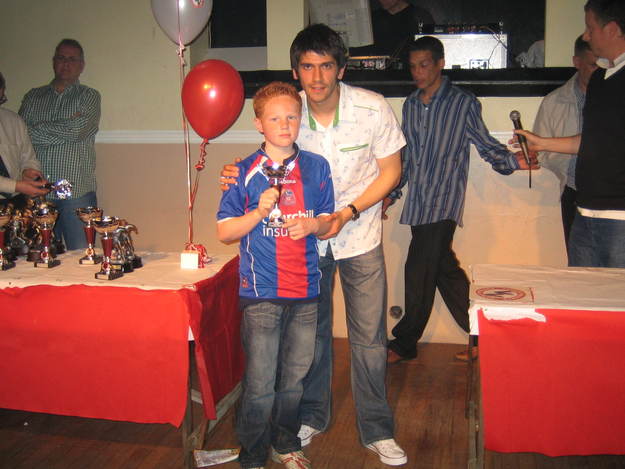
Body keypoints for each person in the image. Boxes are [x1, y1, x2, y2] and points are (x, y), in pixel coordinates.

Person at [221, 24, 408, 467]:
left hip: (358, 236)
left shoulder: (373, 108)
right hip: (304, 247)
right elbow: (271, 153)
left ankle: (377, 430)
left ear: (341, 68)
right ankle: (311, 418)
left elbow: (391, 172)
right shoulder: (291, 109)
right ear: (296, 70)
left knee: (369, 339)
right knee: (313, 338)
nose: (317, 76)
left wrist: (348, 213)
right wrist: (234, 175)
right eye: (307, 66)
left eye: (326, 66)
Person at [384, 36, 535, 364]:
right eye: (413, 66)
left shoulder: (462, 102)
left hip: (444, 199)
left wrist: (513, 161)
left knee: (417, 268)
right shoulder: (410, 104)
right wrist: (391, 193)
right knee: (443, 271)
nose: (418, 72)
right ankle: (484, 336)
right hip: (419, 201)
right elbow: (406, 158)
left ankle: (404, 342)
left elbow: (484, 143)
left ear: (440, 63)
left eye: (424, 64)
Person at [217, 81, 334, 469]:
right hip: (261, 291)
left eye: (291, 117)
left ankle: (285, 443)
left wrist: (314, 226)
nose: (284, 125)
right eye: (274, 118)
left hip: (305, 290)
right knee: (260, 383)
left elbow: (330, 222)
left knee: (293, 381)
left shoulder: (317, 167)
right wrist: (256, 213)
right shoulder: (242, 171)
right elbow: (224, 232)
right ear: (258, 124)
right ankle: (251, 454)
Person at [516, 0, 625, 268]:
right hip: (585, 211)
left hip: (620, 218)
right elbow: (591, 140)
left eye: (590, 28)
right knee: (584, 301)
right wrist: (541, 142)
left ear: (611, 30)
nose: (586, 35)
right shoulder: (600, 80)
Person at [19, 38, 100, 249]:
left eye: (72, 59)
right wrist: (64, 126)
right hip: (38, 191)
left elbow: (77, 131)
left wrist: (36, 129)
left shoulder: (89, 96)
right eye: (61, 58)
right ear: (53, 61)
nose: (66, 63)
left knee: (82, 254)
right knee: (40, 255)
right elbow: (21, 136)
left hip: (76, 192)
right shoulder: (33, 96)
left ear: (81, 65)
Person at [532, 36, 597, 253]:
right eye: (593, 64)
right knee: (578, 262)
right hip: (573, 191)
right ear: (577, 62)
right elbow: (541, 150)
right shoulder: (554, 100)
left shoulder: (613, 95)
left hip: (611, 194)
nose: (599, 70)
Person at [0, 71, 49, 203]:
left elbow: (28, 157)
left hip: (15, 200)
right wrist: (16, 185)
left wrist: (27, 171)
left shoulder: (14, 120)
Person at [352, 0, 434, 62]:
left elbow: (430, 52)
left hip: (409, 76)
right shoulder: (371, 18)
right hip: (375, 76)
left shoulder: (420, 16)